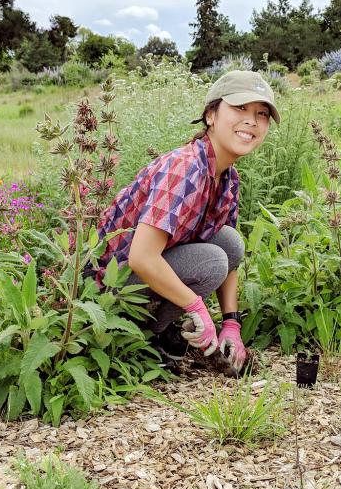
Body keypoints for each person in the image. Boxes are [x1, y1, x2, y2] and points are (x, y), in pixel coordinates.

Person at [94, 70, 280, 373]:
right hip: (106, 291)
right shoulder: (185, 168)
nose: (251, 121)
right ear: (211, 115)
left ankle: (161, 327)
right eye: (239, 108)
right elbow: (141, 257)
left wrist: (231, 323)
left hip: (139, 276)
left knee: (230, 243)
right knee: (211, 261)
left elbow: (231, 259)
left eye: (261, 114)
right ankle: (137, 338)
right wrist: (197, 307)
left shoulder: (228, 177)